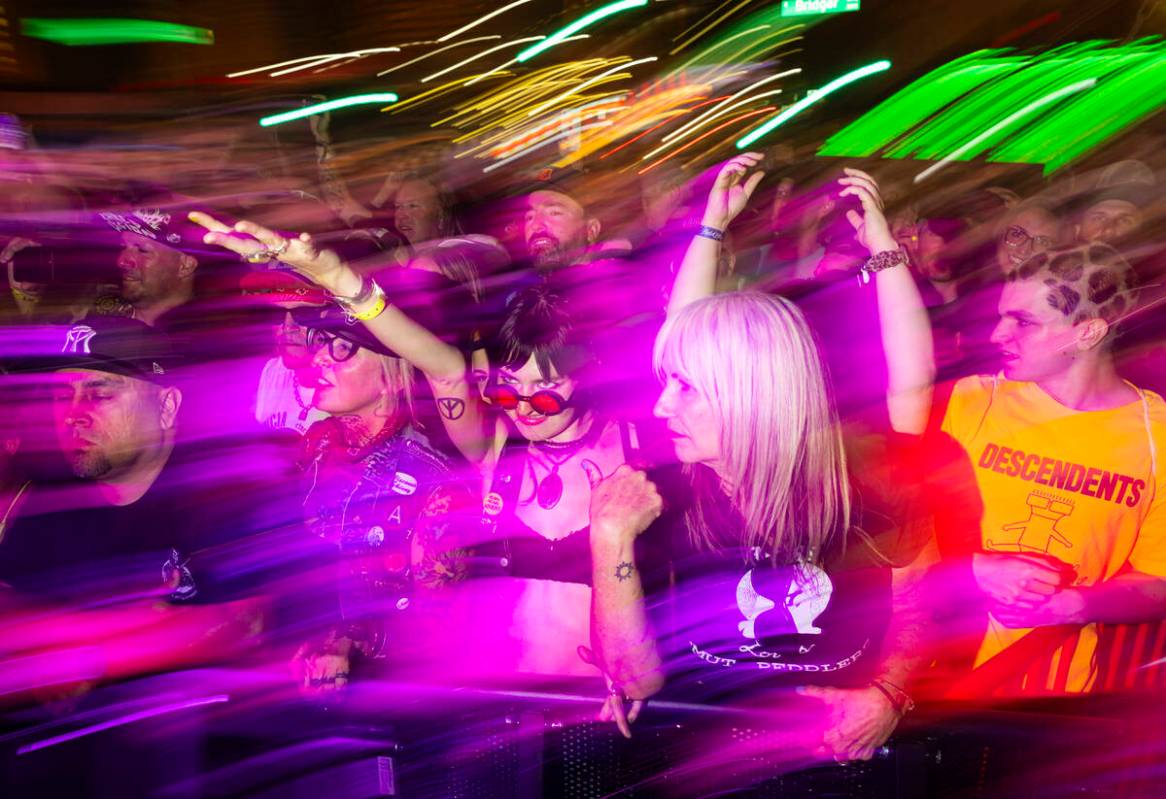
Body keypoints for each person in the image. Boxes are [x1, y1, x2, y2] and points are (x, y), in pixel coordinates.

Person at [586, 154, 937, 766]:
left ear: (751, 393)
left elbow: (920, 603)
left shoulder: (866, 474)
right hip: (700, 757)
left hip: (831, 757)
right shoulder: (668, 486)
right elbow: (633, 679)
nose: (663, 405)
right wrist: (609, 539)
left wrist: (889, 693)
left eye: (687, 387)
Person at [192, 212, 640, 681]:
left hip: (608, 711)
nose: (523, 407)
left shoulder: (636, 449)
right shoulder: (497, 451)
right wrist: (338, 280)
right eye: (507, 390)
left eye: (544, 390)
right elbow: (445, 370)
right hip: (503, 706)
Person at [934, 241, 1166, 696]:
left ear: (1087, 332)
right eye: (1002, 316)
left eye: (1022, 321)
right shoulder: (967, 402)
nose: (997, 335)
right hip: (931, 686)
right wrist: (975, 569)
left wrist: (1076, 605)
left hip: (1053, 697)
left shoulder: (1157, 436)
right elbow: (878, 546)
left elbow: (1159, 581)